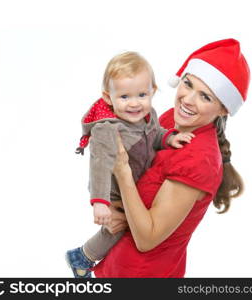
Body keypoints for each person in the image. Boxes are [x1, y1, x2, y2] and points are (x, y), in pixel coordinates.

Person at [92, 38, 250, 277]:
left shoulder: (199, 160)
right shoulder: (168, 121)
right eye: (188, 84)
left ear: (223, 109)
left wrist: (121, 172)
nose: (187, 99)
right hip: (115, 265)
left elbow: (147, 238)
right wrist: (113, 208)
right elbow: (138, 184)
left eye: (205, 97)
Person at [65, 51, 194, 278]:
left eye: (142, 95)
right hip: (113, 190)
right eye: (124, 97)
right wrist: (100, 202)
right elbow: (99, 166)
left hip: (136, 183)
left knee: (129, 224)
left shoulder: (149, 115)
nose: (134, 104)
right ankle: (82, 257)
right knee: (118, 226)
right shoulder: (107, 129)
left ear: (153, 91)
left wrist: (169, 138)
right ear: (108, 97)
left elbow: (155, 135)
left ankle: (86, 256)